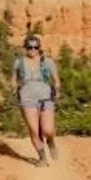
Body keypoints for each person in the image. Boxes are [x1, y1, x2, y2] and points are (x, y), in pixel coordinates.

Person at [12, 35, 61, 165]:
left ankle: (51, 141)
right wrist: (14, 90)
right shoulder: (19, 62)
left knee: (47, 130)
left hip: (45, 96)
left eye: (35, 47)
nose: (33, 50)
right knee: (34, 130)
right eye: (30, 47)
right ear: (25, 48)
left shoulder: (47, 62)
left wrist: (57, 91)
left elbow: (56, 80)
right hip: (27, 98)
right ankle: (42, 158)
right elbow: (14, 79)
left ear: (39, 48)